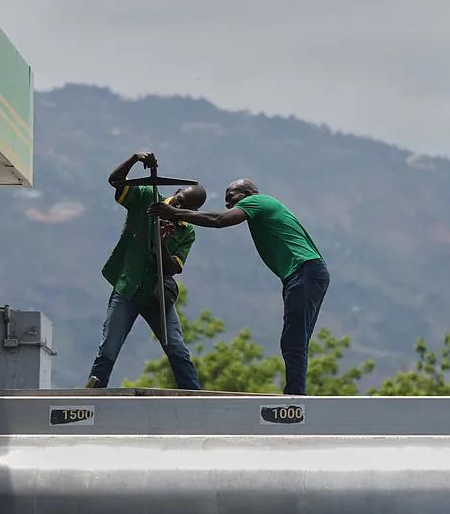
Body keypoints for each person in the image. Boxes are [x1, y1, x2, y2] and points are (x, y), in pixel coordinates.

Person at [149, 179, 328, 395]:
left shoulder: (257, 201)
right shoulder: (262, 208)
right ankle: (295, 393)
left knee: (294, 339)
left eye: (230, 197)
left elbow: (219, 220)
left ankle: (295, 398)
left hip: (304, 271)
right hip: (305, 273)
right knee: (296, 338)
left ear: (248, 192)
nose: (228, 205)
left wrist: (175, 213)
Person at [85, 151, 206, 390]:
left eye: (186, 209)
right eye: (179, 201)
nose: (179, 208)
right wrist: (134, 159)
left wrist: (161, 242)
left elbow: (173, 268)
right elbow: (116, 181)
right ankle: (92, 395)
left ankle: (193, 395)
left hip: (156, 295)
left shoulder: (186, 231)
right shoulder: (146, 198)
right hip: (127, 286)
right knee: (109, 345)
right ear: (176, 193)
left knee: (176, 347)